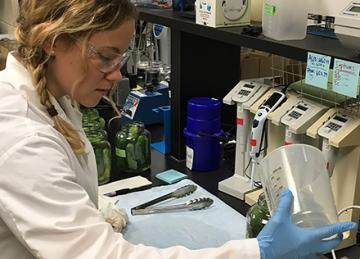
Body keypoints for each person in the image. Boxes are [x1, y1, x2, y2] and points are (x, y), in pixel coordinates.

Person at [0, 0, 356, 258]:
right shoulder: (22, 137)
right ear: (55, 40)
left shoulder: (52, 96)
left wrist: (92, 210)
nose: (117, 74)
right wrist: (257, 253)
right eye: (106, 57)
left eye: (120, 59)